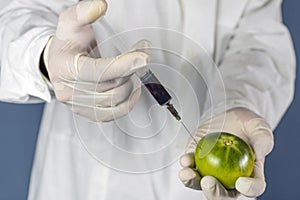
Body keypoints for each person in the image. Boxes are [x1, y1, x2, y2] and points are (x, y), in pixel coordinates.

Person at [0, 0, 296, 199]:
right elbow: (13, 16)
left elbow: (258, 44)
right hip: (85, 179)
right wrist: (44, 56)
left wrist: (236, 103)